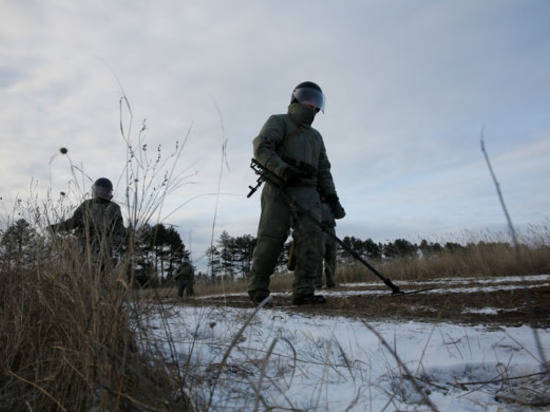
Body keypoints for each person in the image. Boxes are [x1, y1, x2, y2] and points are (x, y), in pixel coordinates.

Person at [248, 81, 345, 305]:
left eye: (316, 101)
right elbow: (261, 147)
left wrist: (332, 197)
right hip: (279, 188)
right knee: (271, 238)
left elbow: (324, 170)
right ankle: (258, 289)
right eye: (307, 98)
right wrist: (282, 170)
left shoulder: (316, 137)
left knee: (313, 240)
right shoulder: (279, 121)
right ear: (296, 99)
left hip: (309, 194)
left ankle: (304, 291)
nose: (312, 105)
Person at [50, 177, 126, 262]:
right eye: (98, 190)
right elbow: (73, 222)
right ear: (94, 190)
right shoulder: (87, 205)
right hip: (82, 244)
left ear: (108, 192)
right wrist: (55, 227)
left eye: (103, 191)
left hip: (102, 248)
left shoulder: (114, 208)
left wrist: (114, 242)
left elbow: (119, 229)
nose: (100, 193)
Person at [315, 197, 337, 289]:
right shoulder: (314, 198)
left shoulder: (330, 199)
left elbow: (340, 213)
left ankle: (325, 281)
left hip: (327, 229)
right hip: (321, 229)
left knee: (328, 257)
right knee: (321, 258)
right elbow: (340, 214)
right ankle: (319, 283)